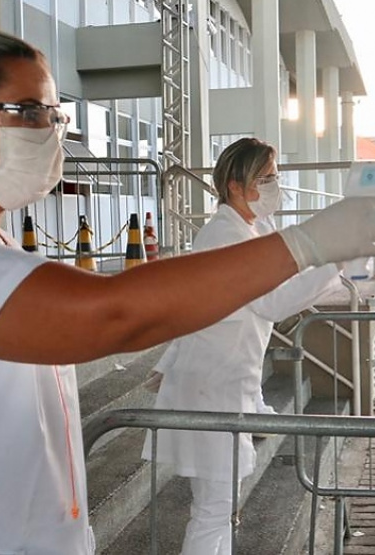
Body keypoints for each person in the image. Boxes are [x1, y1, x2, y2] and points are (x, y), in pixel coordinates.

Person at [0, 28, 375, 555]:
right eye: (30, 112)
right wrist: (306, 245)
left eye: (55, 113)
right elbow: (111, 314)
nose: (52, 130)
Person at [142, 137, 343, 555]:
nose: (275, 186)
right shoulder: (224, 235)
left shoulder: (252, 227)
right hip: (212, 386)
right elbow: (274, 301)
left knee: (220, 505)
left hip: (227, 382)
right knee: (214, 507)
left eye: (275, 177)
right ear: (236, 185)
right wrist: (337, 258)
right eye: (266, 178)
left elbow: (284, 271)